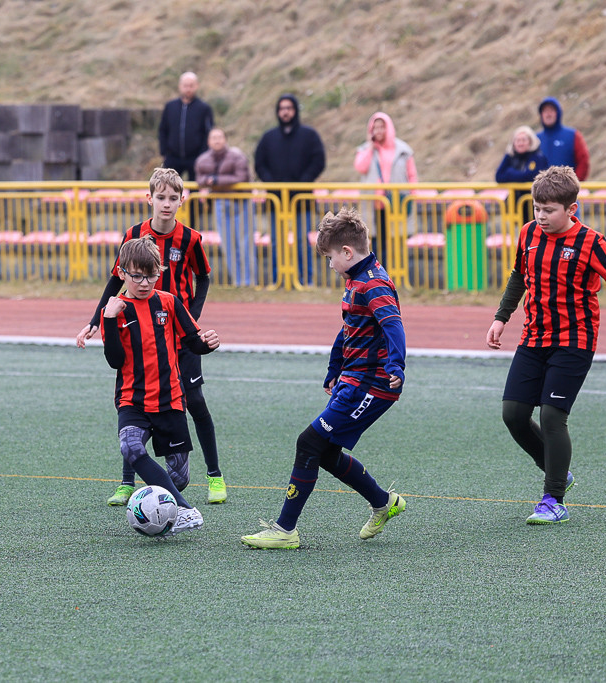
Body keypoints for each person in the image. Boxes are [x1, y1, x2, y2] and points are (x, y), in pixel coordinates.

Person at [486, 166, 606, 525]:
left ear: (571, 209)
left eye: (549, 210)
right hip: (534, 338)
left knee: (552, 416)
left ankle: (554, 500)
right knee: (513, 414)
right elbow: (519, 276)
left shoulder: (591, 242)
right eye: (537, 208)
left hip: (574, 341)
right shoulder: (528, 233)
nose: (541, 216)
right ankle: (556, 470)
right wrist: (501, 317)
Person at [241, 207, 407, 549]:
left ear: (347, 252)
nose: (330, 264)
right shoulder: (356, 280)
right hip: (354, 380)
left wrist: (396, 365)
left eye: (330, 257)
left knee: (309, 443)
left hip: (371, 385)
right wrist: (334, 368)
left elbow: (393, 325)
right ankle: (383, 502)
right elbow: (349, 328)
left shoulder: (373, 284)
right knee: (326, 453)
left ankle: (285, 530)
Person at [76, 168, 227, 506]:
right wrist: (97, 320)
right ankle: (127, 482)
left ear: (182, 200)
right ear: (150, 199)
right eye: (161, 197)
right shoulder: (133, 236)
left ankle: (214, 476)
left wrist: (192, 319)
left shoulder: (191, 239)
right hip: (139, 329)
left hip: (179, 329)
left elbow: (203, 278)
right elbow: (115, 281)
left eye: (173, 198)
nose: (167, 204)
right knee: (136, 399)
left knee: (195, 400)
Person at [98, 237, 219, 536]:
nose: (144, 283)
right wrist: (110, 319)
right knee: (130, 446)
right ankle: (186, 510)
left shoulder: (168, 302)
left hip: (170, 400)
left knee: (178, 478)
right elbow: (115, 361)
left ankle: (165, 505)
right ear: (122, 273)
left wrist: (207, 344)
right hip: (133, 400)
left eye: (151, 276)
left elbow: (192, 342)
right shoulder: (115, 310)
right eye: (137, 276)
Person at [254, 94, 326, 286]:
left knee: (302, 241)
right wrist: (272, 183)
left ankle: (306, 280)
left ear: (295, 110)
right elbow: (259, 164)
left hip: (301, 199)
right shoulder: (268, 138)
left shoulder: (309, 136)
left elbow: (318, 161)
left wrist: (302, 183)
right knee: (276, 241)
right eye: (282, 108)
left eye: (289, 108)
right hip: (275, 199)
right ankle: (277, 279)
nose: (285, 112)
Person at [353, 112, 418, 259]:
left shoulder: (402, 150)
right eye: (375, 128)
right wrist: (370, 147)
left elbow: (412, 175)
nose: (378, 131)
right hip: (375, 204)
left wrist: (413, 195)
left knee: (397, 242)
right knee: (377, 242)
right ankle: (379, 271)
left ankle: (394, 271)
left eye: (382, 127)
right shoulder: (365, 149)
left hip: (397, 202)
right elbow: (360, 167)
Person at [195, 128, 254, 286]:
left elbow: (241, 177)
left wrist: (215, 181)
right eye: (213, 137)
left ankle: (250, 281)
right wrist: (210, 181)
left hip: (241, 202)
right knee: (228, 244)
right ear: (208, 141)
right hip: (220, 202)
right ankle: (237, 281)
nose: (217, 140)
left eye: (220, 137)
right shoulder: (203, 159)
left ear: (225, 139)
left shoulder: (237, 155)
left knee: (245, 243)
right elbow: (199, 178)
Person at [158, 72, 214, 181]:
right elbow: (163, 130)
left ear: (197, 86)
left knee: (195, 188)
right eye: (185, 85)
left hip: (196, 158)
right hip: (172, 157)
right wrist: (164, 152)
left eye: (191, 86)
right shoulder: (170, 107)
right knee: (167, 185)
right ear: (180, 86)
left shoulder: (204, 108)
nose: (188, 89)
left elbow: (208, 133)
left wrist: (203, 154)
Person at [495, 125, 551, 224]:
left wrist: (510, 173)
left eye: (523, 140)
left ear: (530, 141)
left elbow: (532, 176)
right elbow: (499, 176)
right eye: (517, 140)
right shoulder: (510, 156)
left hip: (535, 203)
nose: (520, 143)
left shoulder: (538, 157)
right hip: (517, 204)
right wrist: (519, 175)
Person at [536, 97, 590, 181]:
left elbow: (583, 162)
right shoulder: (535, 139)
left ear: (558, 113)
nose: (548, 114)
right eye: (545, 111)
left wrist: (573, 183)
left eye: (551, 110)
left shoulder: (573, 135)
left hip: (567, 188)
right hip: (540, 188)